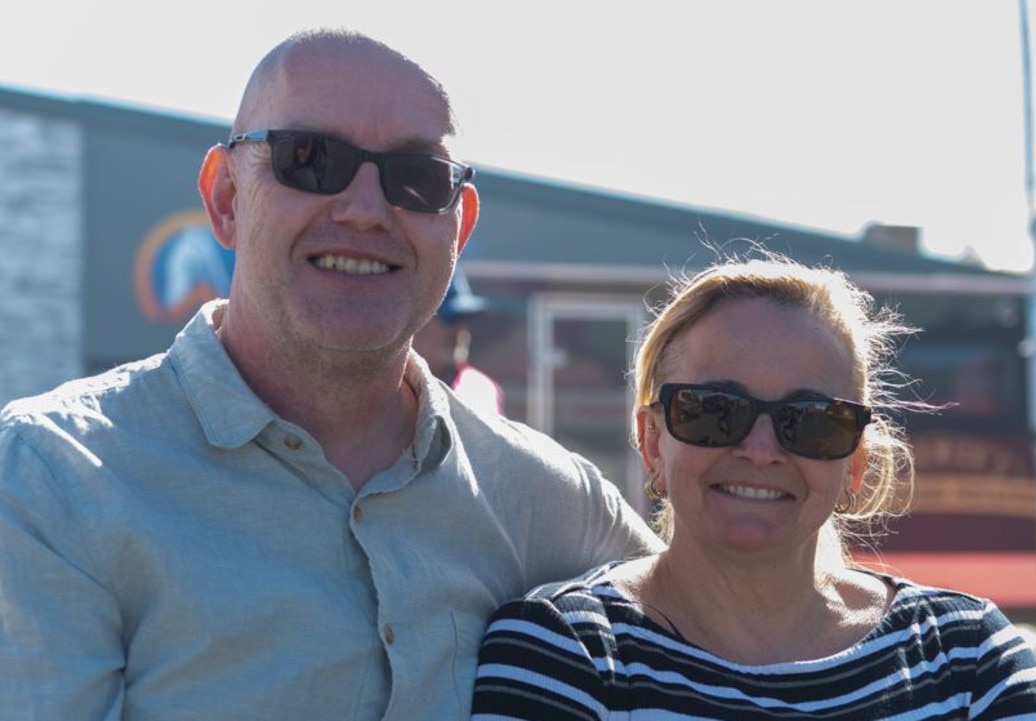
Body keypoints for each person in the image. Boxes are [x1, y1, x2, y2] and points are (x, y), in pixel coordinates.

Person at [0, 28, 660, 721]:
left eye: (415, 177)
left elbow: (736, 639)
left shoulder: (551, 502)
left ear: (457, 227)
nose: (366, 209)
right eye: (310, 160)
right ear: (226, 197)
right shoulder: (51, 480)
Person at [471, 255, 1036, 719]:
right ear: (653, 440)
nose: (760, 450)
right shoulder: (565, 649)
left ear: (856, 462)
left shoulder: (963, 653)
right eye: (714, 410)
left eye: (810, 422)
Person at [413, 271, 505, 416]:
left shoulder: (481, 389)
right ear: (414, 323)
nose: (460, 330)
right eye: (451, 318)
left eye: (464, 319)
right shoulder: (379, 389)